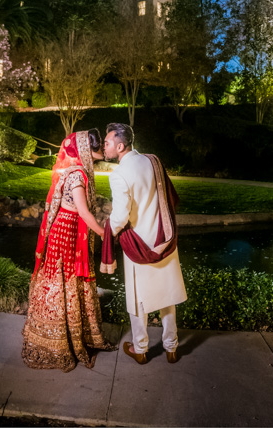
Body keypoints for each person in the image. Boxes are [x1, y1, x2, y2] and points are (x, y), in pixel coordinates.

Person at [21, 129, 114, 371]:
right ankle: (59, 342)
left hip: (67, 231)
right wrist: (105, 235)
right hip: (65, 235)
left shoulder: (76, 171)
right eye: (97, 146)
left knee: (66, 283)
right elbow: (83, 212)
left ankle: (70, 335)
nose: (102, 150)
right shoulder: (78, 175)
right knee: (64, 283)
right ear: (86, 149)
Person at [101, 122, 186, 364]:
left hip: (139, 244)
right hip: (164, 239)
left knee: (138, 299)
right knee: (167, 295)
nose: (104, 147)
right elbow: (170, 197)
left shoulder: (119, 175)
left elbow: (119, 217)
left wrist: (106, 229)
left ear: (119, 145)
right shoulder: (153, 161)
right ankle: (171, 347)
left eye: (107, 143)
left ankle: (141, 349)